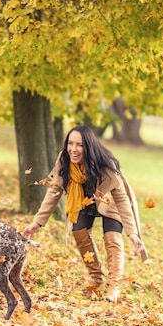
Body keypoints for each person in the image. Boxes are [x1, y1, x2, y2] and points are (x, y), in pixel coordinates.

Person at [22, 125, 147, 302]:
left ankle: (113, 286)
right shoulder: (64, 159)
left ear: (88, 146)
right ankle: (98, 280)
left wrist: (132, 232)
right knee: (78, 231)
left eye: (79, 145)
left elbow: (122, 199)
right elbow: (55, 191)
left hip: (108, 200)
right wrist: (37, 222)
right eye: (70, 143)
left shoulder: (105, 163)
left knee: (112, 237)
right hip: (82, 199)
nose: (73, 149)